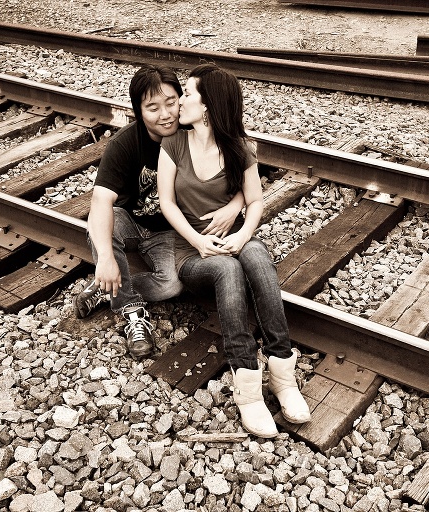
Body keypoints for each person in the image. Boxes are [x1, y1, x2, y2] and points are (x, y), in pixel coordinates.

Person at [157, 64, 311, 437]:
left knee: (256, 256)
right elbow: (167, 204)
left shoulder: (239, 147)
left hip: (232, 239)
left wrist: (241, 236)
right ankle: (246, 387)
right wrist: (198, 241)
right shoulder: (173, 144)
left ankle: (281, 371)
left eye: (189, 94)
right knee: (227, 269)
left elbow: (256, 201)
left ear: (208, 105)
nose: (181, 101)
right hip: (191, 252)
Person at [77, 64, 244, 360]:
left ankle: (105, 288)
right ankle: (130, 311)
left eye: (170, 102)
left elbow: (242, 169)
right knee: (104, 224)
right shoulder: (125, 144)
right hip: (131, 221)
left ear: (182, 99)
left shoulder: (195, 130)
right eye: (152, 107)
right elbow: (100, 201)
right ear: (139, 111)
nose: (165, 114)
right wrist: (104, 258)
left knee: (172, 286)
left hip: (169, 230)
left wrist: (234, 205)